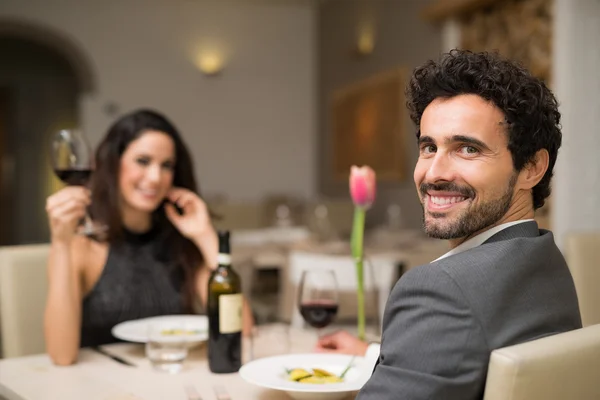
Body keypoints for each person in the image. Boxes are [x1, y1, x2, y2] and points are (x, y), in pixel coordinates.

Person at [315, 49, 582, 399]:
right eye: (428, 147)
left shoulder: (439, 291)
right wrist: (375, 355)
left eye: (467, 149)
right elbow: (469, 351)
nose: (434, 173)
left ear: (531, 168)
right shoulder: (544, 259)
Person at [44, 109, 254, 365]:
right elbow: (61, 356)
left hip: (172, 381)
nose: (155, 178)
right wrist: (61, 243)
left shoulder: (181, 243)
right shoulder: (81, 243)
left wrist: (206, 236)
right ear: (113, 163)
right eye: (143, 161)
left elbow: (242, 332)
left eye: (166, 165)